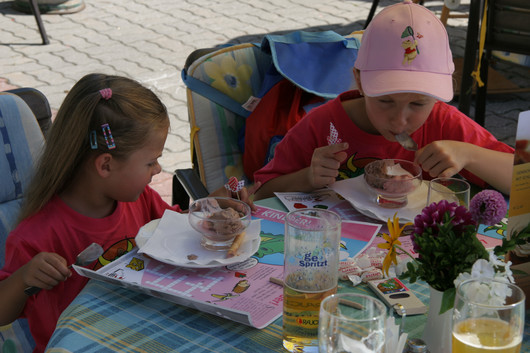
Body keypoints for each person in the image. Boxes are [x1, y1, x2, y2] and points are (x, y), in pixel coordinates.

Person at [0, 73, 257, 352]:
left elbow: (175, 232)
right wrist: (24, 278)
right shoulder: (37, 234)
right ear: (106, 165)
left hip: (143, 332)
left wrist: (211, 207)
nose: (158, 170)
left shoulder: (140, 200)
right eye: (151, 162)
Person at [253, 0, 514, 200]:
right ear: (360, 81)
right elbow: (260, 192)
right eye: (385, 101)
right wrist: (307, 177)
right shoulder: (322, 126)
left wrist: (470, 154)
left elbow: (522, 179)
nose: (400, 120)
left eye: (418, 104)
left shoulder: (445, 123)